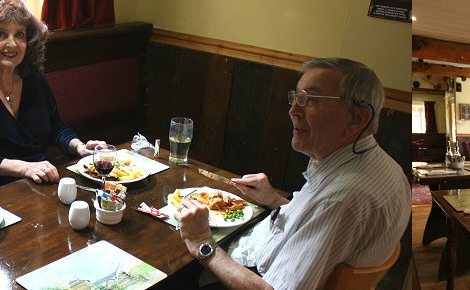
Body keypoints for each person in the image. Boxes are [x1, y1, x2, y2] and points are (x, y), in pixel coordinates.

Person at [176, 58, 411, 289]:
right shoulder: (383, 166)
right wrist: (274, 201)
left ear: (357, 117)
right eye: (296, 97)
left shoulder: (341, 199)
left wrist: (201, 243)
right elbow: (316, 222)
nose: (293, 111)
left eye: (310, 100)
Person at [0, 0, 105, 186]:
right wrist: (27, 168)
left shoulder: (34, 78)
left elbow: (56, 126)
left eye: (19, 35)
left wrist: (80, 147)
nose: (12, 43)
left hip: (44, 180)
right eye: (1, 34)